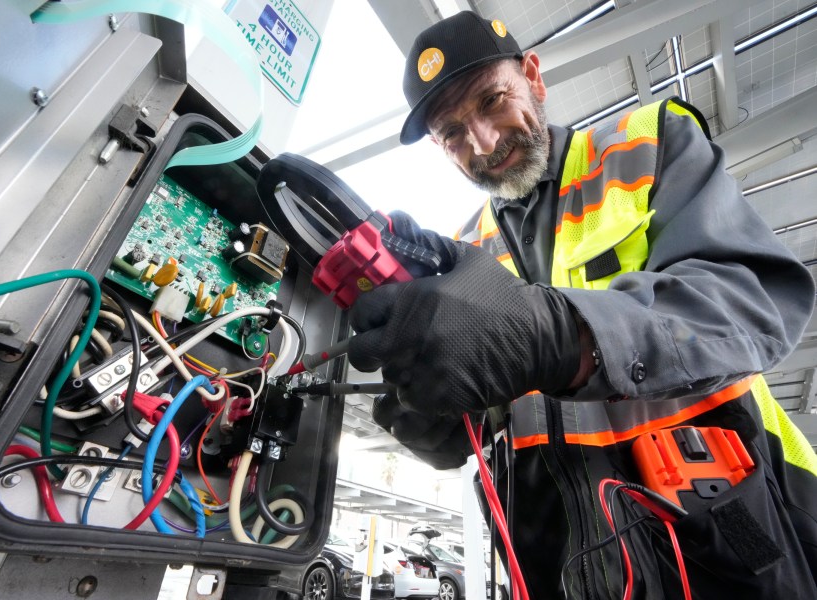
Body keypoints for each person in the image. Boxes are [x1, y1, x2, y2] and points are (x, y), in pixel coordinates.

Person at [346, 10, 817, 600]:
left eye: (492, 102)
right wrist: (427, 420)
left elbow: (752, 298)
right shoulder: (465, 259)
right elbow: (480, 432)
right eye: (454, 135)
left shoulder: (644, 147)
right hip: (561, 573)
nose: (484, 144)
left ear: (534, 77)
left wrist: (564, 337)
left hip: (731, 543)